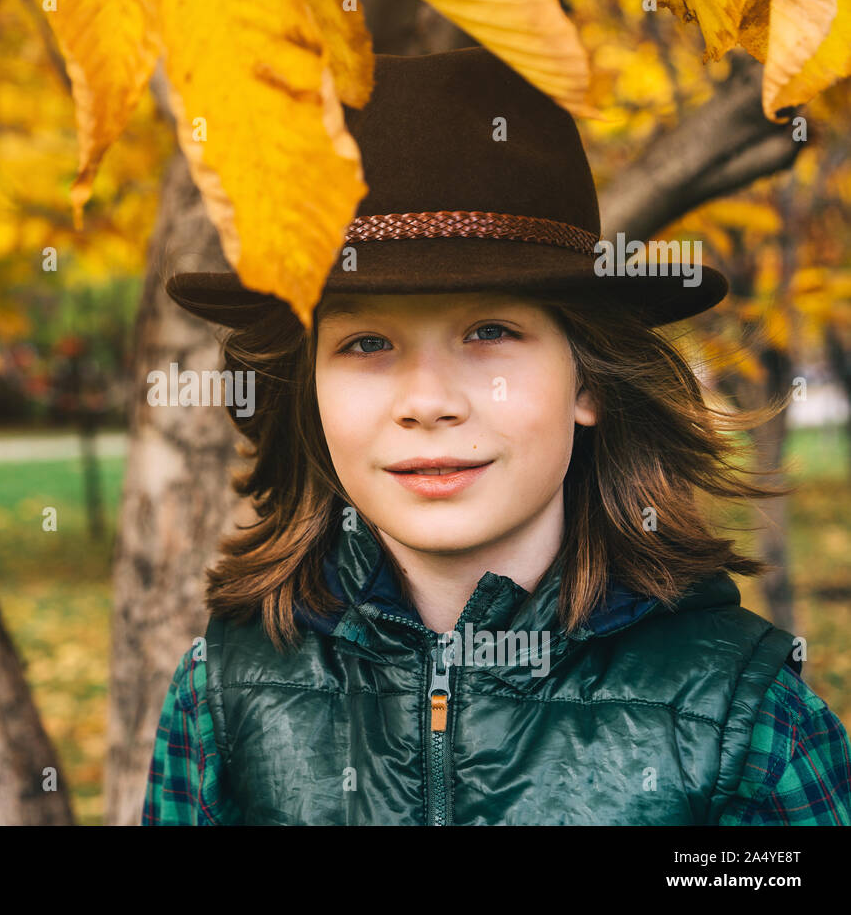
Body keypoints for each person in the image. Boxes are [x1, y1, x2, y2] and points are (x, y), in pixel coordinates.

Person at [140, 47, 851, 825]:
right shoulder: (222, 695)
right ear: (309, 393)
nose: (428, 402)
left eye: (489, 331)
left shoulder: (742, 717)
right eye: (366, 344)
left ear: (588, 381)